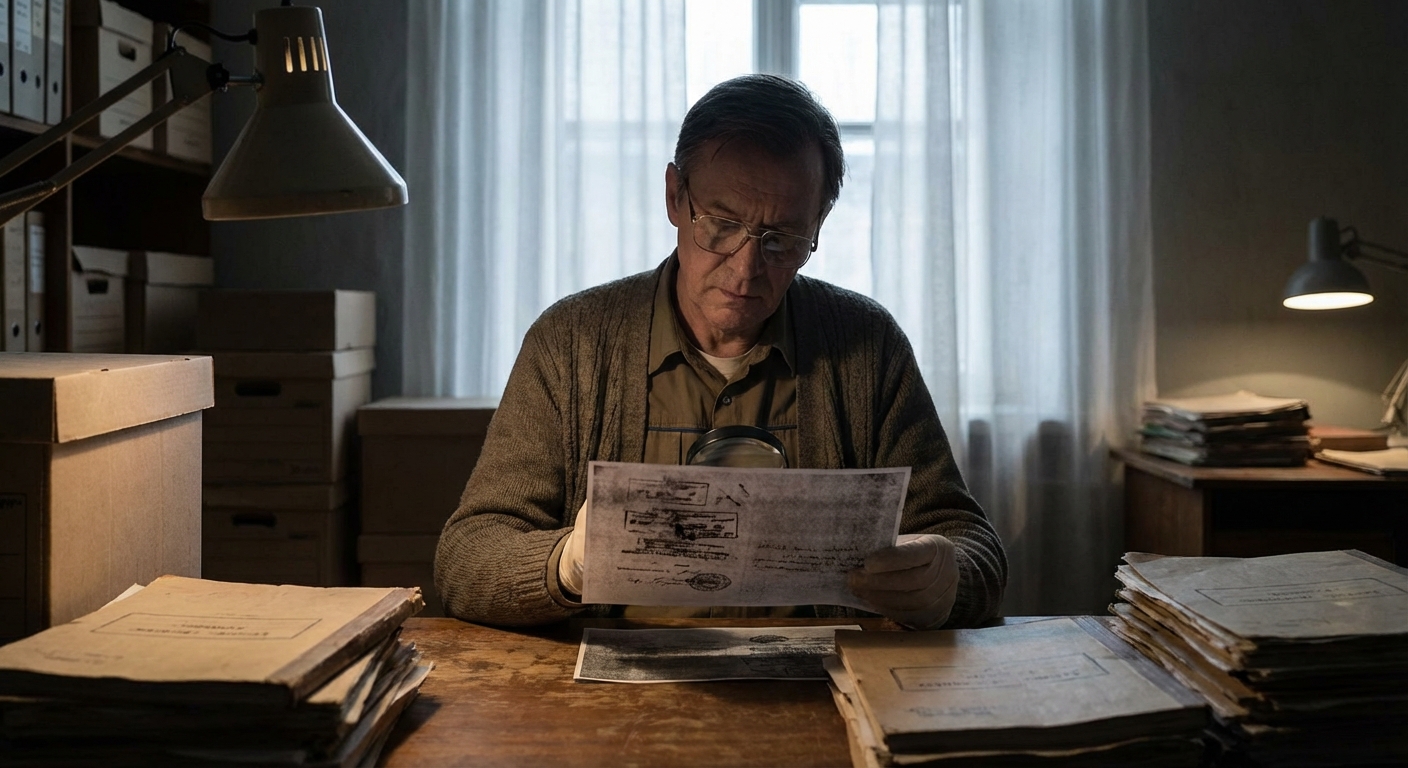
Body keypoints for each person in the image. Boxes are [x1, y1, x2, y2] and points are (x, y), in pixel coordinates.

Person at [434, 74, 1007, 628]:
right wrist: (568, 564)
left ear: (820, 222)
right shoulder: (571, 342)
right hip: (613, 702)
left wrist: (947, 577)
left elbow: (970, 540)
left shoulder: (866, 344)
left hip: (820, 692)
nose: (747, 267)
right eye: (722, 225)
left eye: (783, 239)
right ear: (674, 197)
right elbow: (466, 558)